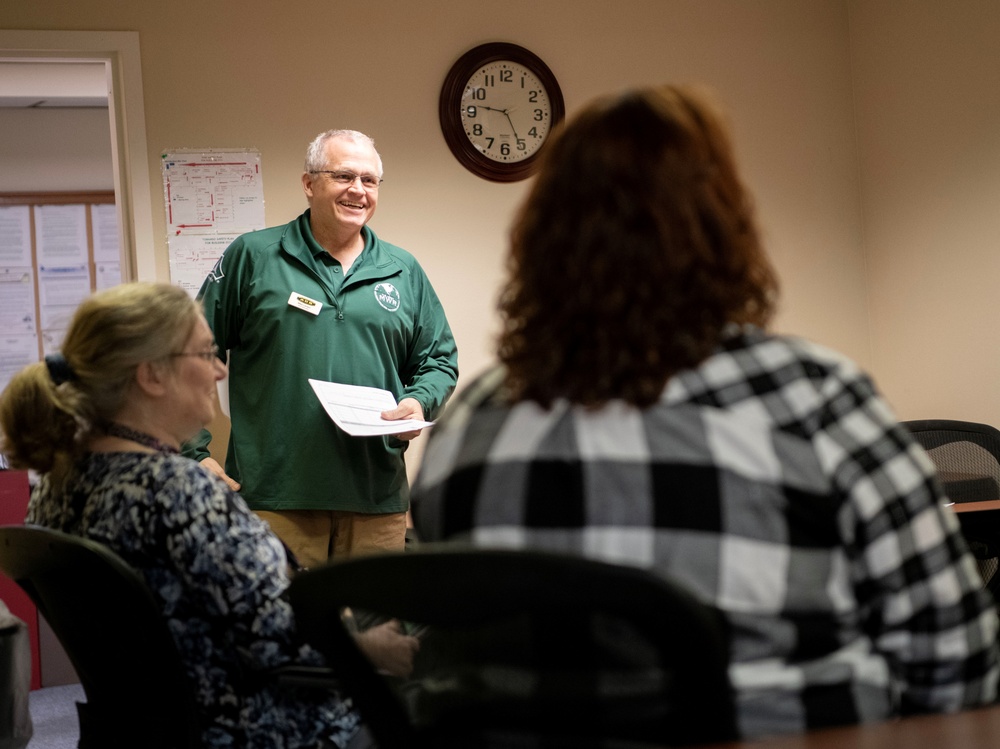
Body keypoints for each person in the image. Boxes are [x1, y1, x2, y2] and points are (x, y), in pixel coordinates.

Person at [410, 85, 1000, 740]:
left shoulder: (468, 426)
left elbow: (446, 652)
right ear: (725, 228)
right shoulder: (814, 399)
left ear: (539, 241)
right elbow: (957, 664)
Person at [0, 282, 419, 749]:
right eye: (205, 354)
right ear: (152, 374)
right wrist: (373, 648)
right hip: (264, 729)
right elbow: (280, 643)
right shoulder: (179, 492)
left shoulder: (56, 487)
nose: (220, 369)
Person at [186, 129, 458, 568]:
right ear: (309, 184)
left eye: (369, 181)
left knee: (374, 632)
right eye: (344, 176)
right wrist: (192, 451)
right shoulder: (253, 256)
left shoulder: (403, 270)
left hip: (375, 497)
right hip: (274, 497)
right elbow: (190, 352)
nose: (358, 190)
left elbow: (438, 359)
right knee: (283, 630)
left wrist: (417, 401)